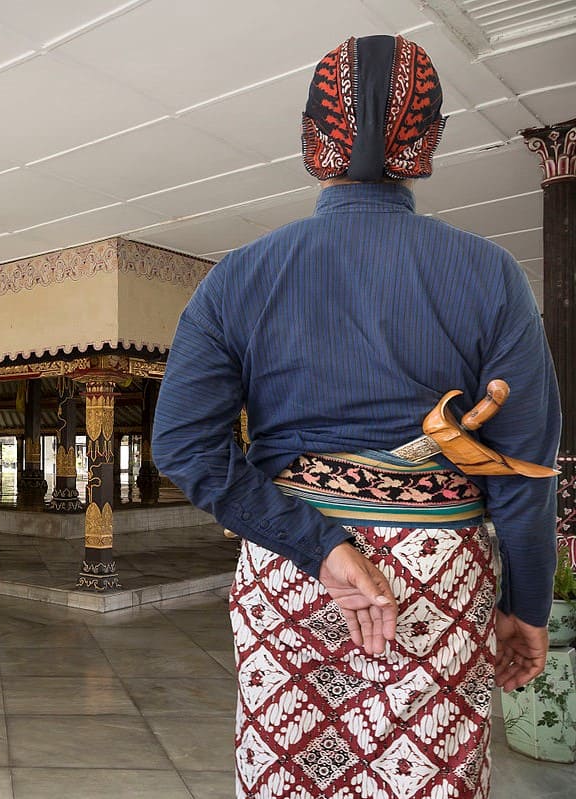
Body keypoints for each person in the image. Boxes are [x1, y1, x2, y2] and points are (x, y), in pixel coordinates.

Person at [152, 34, 561, 799]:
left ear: (314, 142)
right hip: (440, 579)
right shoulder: (490, 275)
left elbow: (183, 445)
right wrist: (526, 606)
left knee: (287, 774)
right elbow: (524, 470)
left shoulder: (240, 276)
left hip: (296, 571)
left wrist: (320, 545)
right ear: (427, 147)